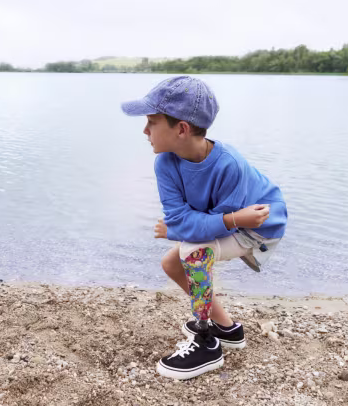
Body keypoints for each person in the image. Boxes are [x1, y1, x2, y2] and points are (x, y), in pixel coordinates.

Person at [121, 76, 288, 380]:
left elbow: (201, 232)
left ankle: (205, 342)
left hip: (259, 225)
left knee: (194, 250)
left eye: (152, 122)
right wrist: (212, 222)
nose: (145, 131)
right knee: (172, 263)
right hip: (235, 220)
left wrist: (225, 222)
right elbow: (182, 219)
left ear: (181, 129)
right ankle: (227, 329)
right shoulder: (165, 163)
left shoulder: (228, 165)